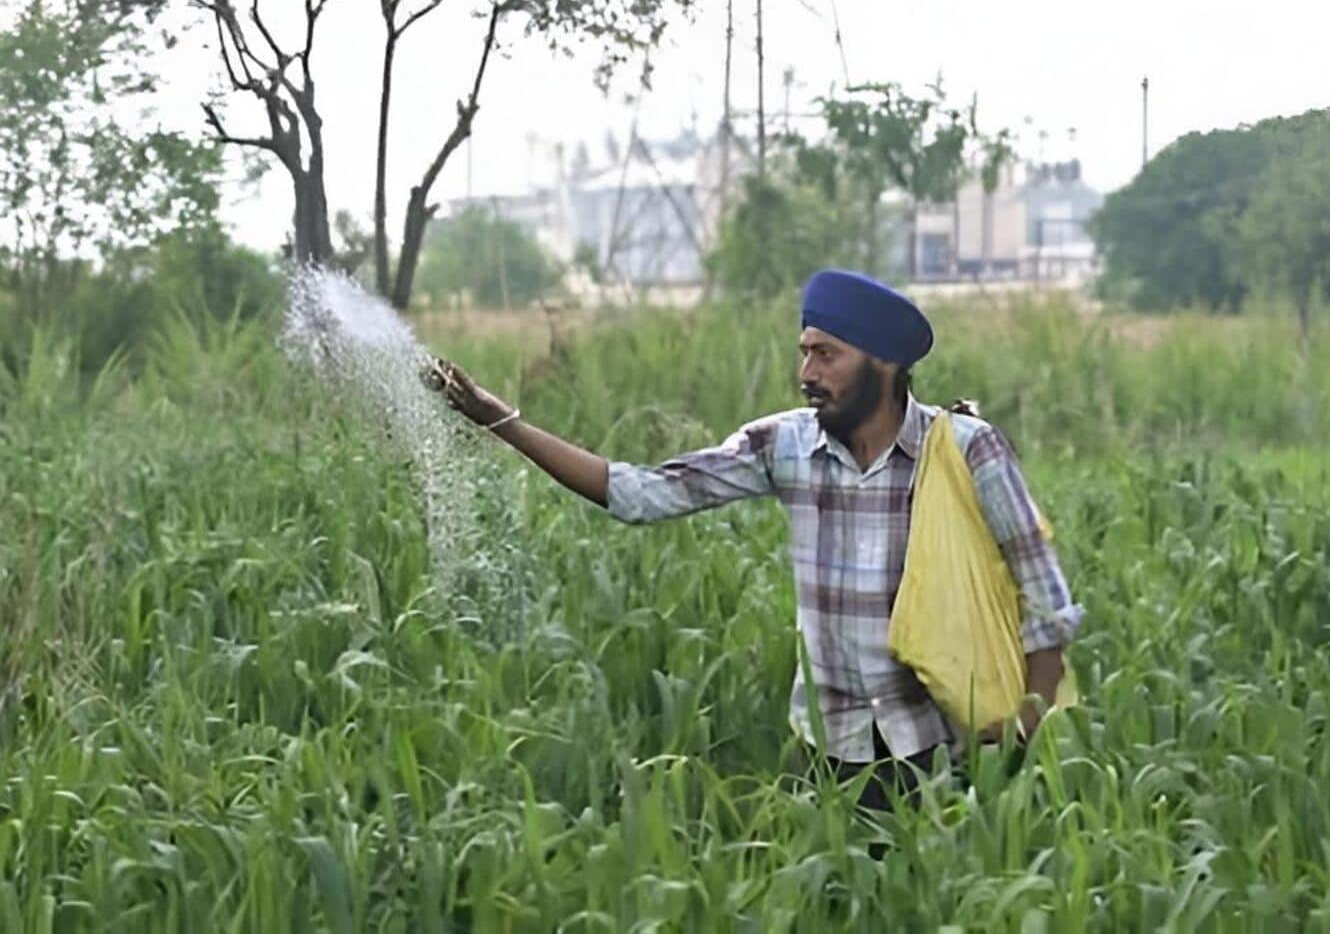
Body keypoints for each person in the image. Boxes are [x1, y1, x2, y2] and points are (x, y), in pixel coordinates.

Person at [425, 268, 1083, 814]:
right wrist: (498, 418)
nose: (807, 370)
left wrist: (1017, 749)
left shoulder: (966, 452)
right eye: (803, 351)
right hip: (827, 751)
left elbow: (1046, 602)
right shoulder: (784, 445)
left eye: (826, 353)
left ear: (883, 363)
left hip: (940, 750)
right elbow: (643, 494)